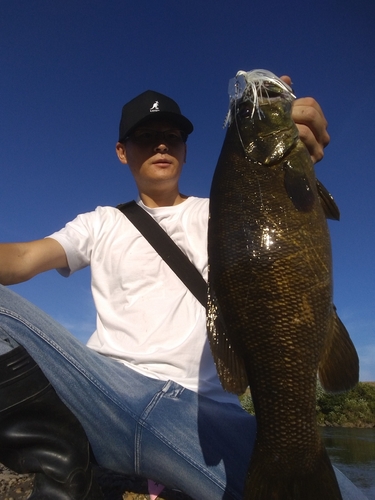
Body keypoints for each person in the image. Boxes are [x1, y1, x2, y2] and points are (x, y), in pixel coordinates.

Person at [0, 80, 366, 500]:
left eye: (171, 137)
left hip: (200, 416)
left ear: (186, 149)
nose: (161, 146)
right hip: (103, 395)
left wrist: (292, 135)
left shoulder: (227, 209)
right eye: (146, 137)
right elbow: (24, 259)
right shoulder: (99, 222)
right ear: (123, 151)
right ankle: (64, 462)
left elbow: (283, 234)